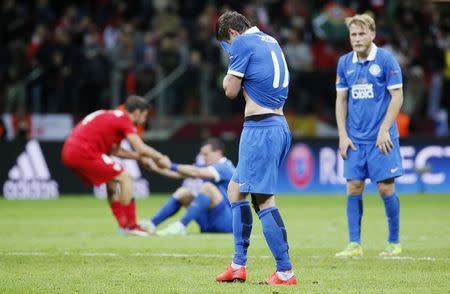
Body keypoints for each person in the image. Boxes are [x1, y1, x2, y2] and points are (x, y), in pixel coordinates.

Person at [214, 11, 296, 285]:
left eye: (225, 43)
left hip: (261, 129)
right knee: (235, 190)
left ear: (233, 34)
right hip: (278, 123)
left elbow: (230, 90)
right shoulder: (270, 40)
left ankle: (285, 271)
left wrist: (229, 71)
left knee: (263, 200)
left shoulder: (241, 44)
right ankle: (238, 265)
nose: (227, 49)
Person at [334, 14, 403, 258]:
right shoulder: (344, 63)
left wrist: (385, 129)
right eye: (353, 34)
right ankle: (354, 244)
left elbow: (397, 96)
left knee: (385, 187)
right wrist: (342, 134)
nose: (357, 38)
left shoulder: (385, 60)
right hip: (355, 139)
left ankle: (394, 242)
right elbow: (341, 100)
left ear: (373, 34)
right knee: (353, 187)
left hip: (381, 138)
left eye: (362, 33)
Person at [61, 95, 170, 236]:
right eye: (144, 116)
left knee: (112, 181)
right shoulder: (124, 120)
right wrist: (160, 157)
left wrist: (140, 158)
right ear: (136, 112)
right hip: (83, 151)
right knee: (125, 177)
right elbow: (140, 147)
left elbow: (116, 150)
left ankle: (123, 225)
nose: (144, 120)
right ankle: (131, 226)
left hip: (70, 151)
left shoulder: (112, 117)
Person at [139, 138, 234, 236]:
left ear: (218, 153)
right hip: (209, 220)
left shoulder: (225, 167)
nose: (204, 158)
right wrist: (154, 167)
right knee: (183, 192)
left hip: (227, 222)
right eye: (202, 155)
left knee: (208, 187)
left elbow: (195, 172)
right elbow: (177, 174)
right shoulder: (208, 167)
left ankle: (181, 226)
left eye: (206, 154)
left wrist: (170, 165)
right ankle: (152, 224)